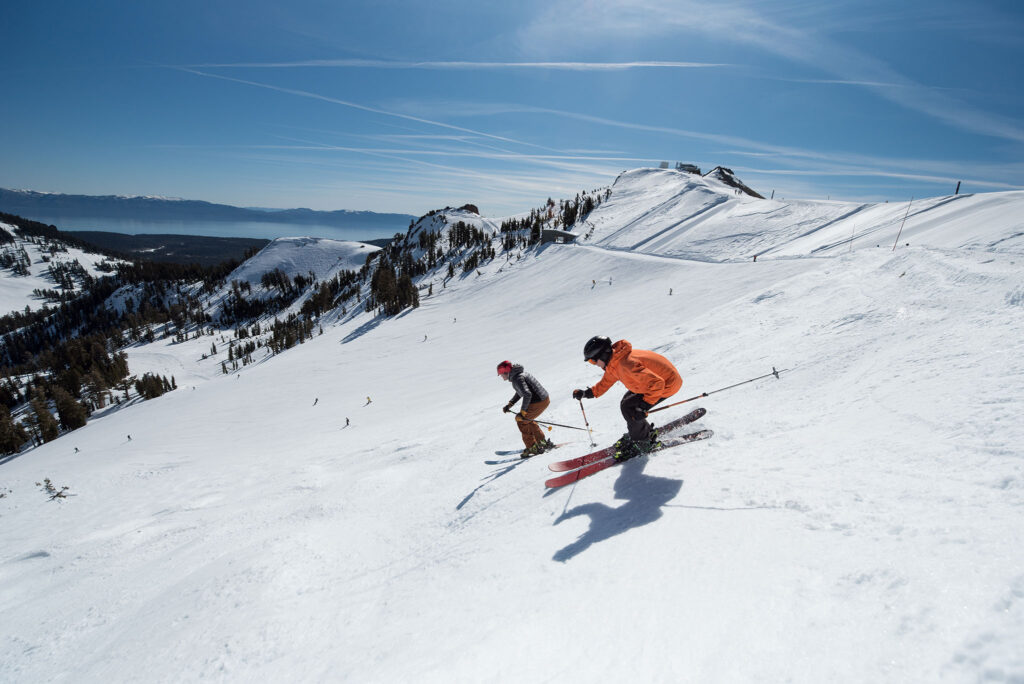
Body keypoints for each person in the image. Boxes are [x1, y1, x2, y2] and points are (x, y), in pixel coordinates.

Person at [572, 336, 682, 461]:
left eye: (593, 361)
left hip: (667, 384)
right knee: (627, 402)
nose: (594, 364)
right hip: (652, 383)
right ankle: (642, 432)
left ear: (602, 355)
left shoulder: (626, 365)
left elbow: (658, 384)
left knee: (631, 409)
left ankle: (643, 444)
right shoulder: (615, 361)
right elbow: (606, 382)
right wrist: (587, 393)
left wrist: (644, 406)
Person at [497, 360, 555, 458]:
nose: (501, 377)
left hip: (539, 401)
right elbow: (521, 392)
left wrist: (523, 412)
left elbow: (527, 394)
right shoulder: (519, 375)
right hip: (543, 399)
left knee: (521, 421)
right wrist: (510, 404)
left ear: (506, 372)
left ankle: (533, 447)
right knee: (527, 420)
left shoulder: (518, 378)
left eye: (501, 374)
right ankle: (541, 442)